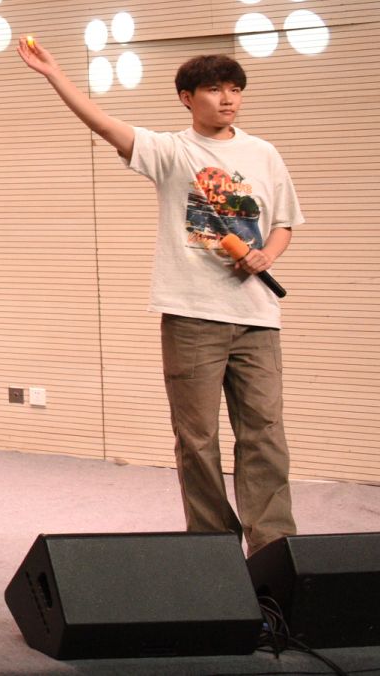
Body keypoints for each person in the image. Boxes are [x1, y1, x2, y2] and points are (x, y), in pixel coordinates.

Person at [19, 40, 301, 552]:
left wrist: (267, 256)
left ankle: (273, 547)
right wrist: (54, 74)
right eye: (214, 89)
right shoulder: (171, 152)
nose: (228, 99)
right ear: (187, 98)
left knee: (265, 434)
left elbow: (283, 223)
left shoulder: (264, 153)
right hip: (191, 316)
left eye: (235, 89)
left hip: (257, 317)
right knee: (197, 439)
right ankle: (213, 547)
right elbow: (105, 125)